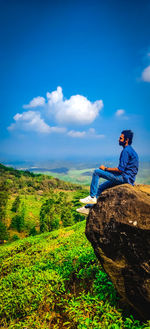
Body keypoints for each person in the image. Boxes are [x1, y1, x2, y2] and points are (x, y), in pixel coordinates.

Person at [79, 130, 139, 208]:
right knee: (101, 187)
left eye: (121, 138)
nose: (118, 140)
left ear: (126, 140)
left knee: (97, 172)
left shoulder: (126, 151)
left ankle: (92, 197)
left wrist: (105, 168)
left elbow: (120, 169)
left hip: (124, 178)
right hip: (129, 179)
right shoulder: (131, 150)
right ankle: (89, 207)